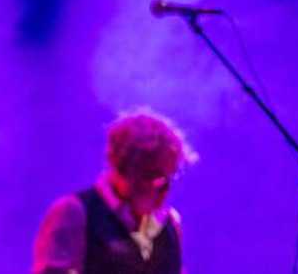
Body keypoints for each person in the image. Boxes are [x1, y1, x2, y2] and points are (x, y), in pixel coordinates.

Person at [32, 108, 197, 274]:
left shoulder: (170, 223)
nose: (165, 189)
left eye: (169, 177)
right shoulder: (75, 213)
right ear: (128, 171)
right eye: (155, 177)